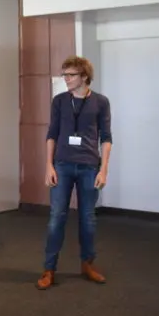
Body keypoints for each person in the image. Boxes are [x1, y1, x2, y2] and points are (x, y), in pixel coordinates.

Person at [37, 55, 113, 291]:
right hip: (62, 165)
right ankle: (49, 269)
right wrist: (48, 165)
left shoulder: (101, 102)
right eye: (65, 75)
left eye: (71, 75)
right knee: (56, 218)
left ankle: (87, 264)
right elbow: (52, 134)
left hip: (89, 167)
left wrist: (104, 169)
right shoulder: (60, 101)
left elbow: (106, 138)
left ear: (84, 76)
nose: (66, 79)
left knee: (88, 219)